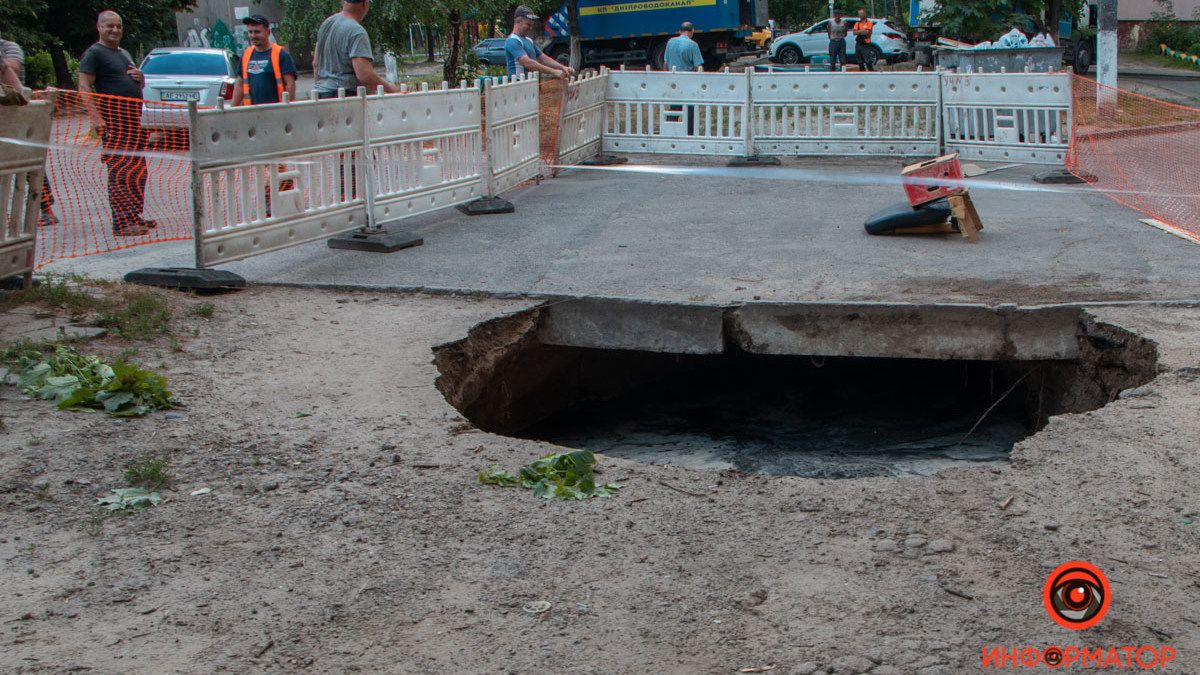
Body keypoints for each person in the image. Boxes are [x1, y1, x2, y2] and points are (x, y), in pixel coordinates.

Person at [78, 11, 156, 236]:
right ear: (99, 28)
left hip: (134, 123)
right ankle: (121, 223)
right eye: (109, 26)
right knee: (121, 172)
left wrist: (141, 80)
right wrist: (95, 118)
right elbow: (84, 86)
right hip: (115, 123)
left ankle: (134, 215)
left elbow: (135, 84)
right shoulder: (94, 53)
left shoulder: (123, 53)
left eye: (118, 26)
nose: (114, 30)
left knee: (138, 171)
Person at [313, 0, 398, 98]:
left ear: (343, 2)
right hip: (346, 96)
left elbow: (316, 63)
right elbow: (365, 75)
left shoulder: (326, 24)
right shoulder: (356, 31)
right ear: (365, 4)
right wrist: (390, 88)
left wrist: (321, 87)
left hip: (321, 93)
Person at [232, 15, 297, 106]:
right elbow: (239, 85)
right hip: (252, 112)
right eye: (250, 32)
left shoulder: (281, 54)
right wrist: (232, 109)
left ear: (268, 32)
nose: (253, 36)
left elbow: (290, 84)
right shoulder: (246, 54)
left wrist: (285, 110)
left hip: (275, 111)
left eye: (257, 32)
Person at [504, 5, 573, 80]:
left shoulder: (529, 40)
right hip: (517, 84)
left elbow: (543, 58)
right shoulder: (512, 41)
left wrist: (562, 67)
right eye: (528, 24)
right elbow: (527, 63)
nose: (530, 28)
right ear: (518, 21)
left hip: (530, 83)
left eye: (532, 25)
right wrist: (554, 72)